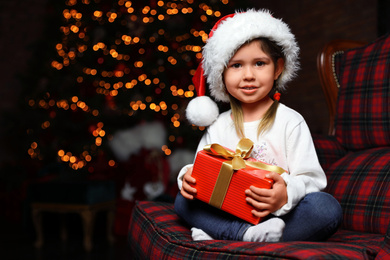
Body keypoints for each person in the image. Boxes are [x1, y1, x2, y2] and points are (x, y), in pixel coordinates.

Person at [174, 9, 342, 242]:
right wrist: (189, 177)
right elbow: (201, 169)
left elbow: (312, 180)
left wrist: (284, 195)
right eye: (236, 66)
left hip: (277, 218)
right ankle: (244, 234)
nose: (248, 75)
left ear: (278, 68)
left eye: (260, 63)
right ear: (221, 74)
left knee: (326, 208)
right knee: (183, 200)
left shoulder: (290, 121)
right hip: (228, 211)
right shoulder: (218, 126)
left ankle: (228, 234)